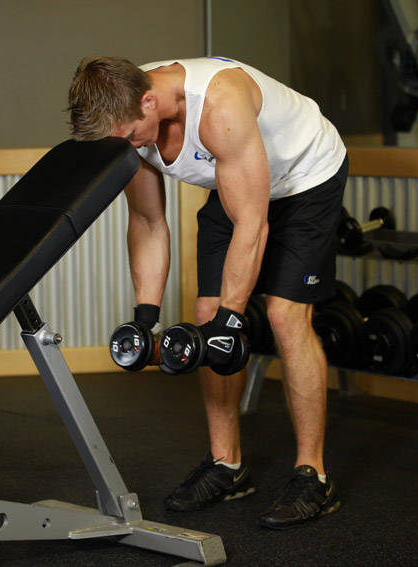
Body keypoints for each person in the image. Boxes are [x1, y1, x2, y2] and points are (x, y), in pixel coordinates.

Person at [67, 56, 348, 530]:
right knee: (205, 313)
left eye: (132, 136)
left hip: (305, 178)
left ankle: (313, 474)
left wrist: (232, 319)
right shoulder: (125, 121)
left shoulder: (219, 104)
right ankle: (227, 466)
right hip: (239, 181)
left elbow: (252, 224)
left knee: (284, 316)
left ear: (148, 101)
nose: (131, 146)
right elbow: (148, 221)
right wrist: (145, 317)